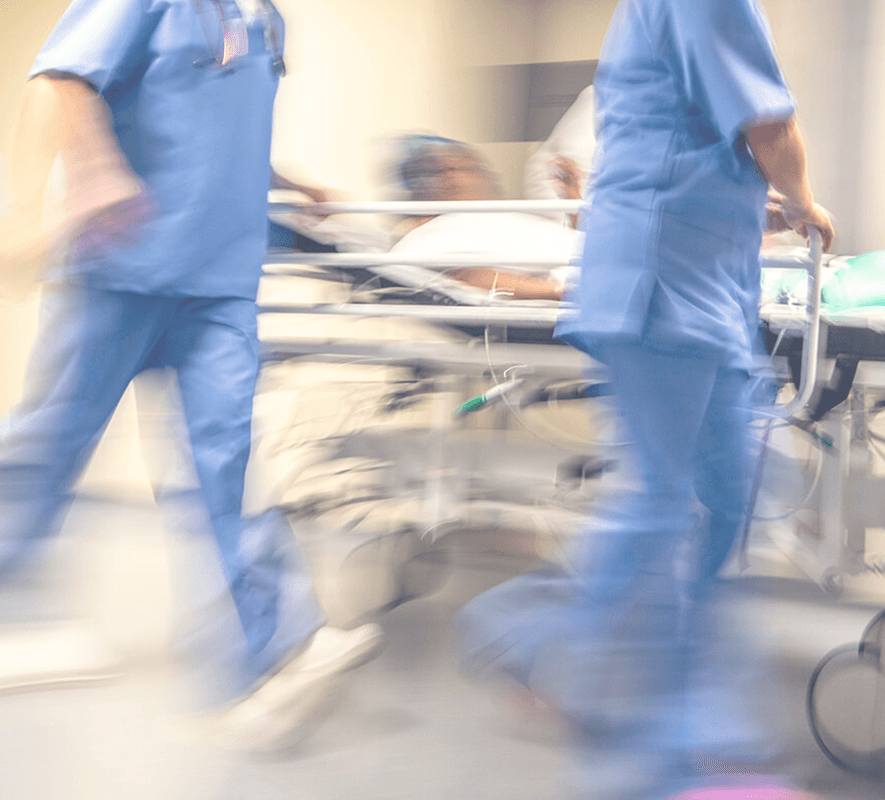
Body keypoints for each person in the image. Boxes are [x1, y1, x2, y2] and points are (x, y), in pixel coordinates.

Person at [455, 0, 834, 798]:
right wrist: (802, 198)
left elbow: (682, 137)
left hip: (710, 287)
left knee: (731, 499)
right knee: (666, 506)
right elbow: (770, 126)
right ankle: (645, 736)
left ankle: (677, 716)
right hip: (660, 282)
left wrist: (751, 202)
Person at [0, 0, 382, 753]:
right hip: (121, 264)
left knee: (227, 467)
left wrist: (290, 184)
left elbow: (220, 127)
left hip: (221, 282)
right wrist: (92, 173)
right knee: (49, 446)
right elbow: (61, 81)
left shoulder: (268, 20)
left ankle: (265, 661)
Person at [389, 134, 575, 301]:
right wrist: (560, 292)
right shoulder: (433, 234)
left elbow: (569, 244)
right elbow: (473, 277)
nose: (481, 174)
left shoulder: (500, 219)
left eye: (473, 165)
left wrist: (573, 199)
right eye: (450, 168)